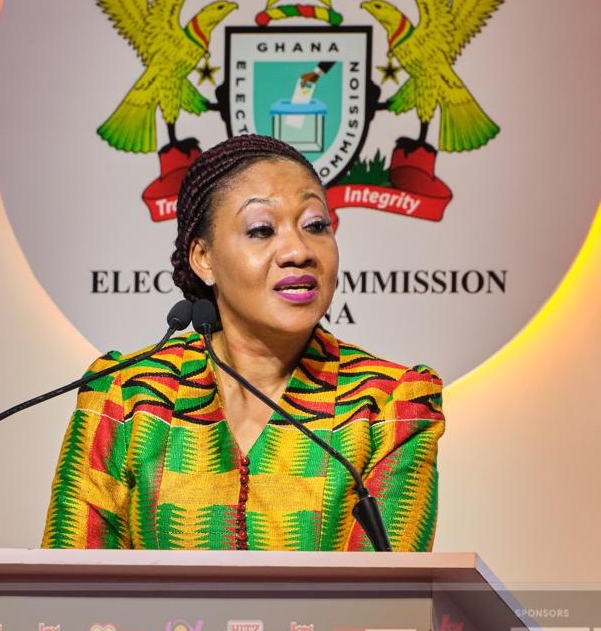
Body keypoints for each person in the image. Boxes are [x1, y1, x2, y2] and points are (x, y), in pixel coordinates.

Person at [42, 134, 444, 551]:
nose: (299, 251)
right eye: (261, 230)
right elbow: (72, 584)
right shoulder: (127, 395)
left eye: (316, 226)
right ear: (204, 258)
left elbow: (387, 589)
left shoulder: (390, 404)